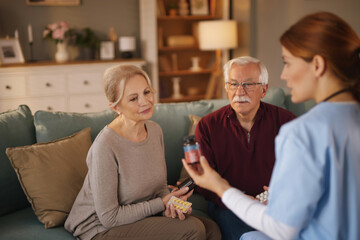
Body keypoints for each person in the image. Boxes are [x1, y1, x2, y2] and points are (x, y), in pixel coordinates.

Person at [183, 11, 360, 240]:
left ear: (317, 65)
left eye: (287, 63)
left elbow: (282, 229)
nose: (284, 75)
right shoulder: (346, 121)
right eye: (233, 84)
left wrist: (220, 186)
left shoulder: (299, 131)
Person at [65, 65, 221, 240]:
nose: (145, 101)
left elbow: (160, 188)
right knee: (193, 229)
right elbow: (109, 217)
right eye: (133, 98)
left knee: (211, 229)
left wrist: (172, 205)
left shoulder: (155, 131)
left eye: (147, 92)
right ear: (116, 107)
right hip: (98, 228)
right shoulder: (105, 146)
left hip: (137, 217)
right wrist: (161, 203)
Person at [194, 56, 296, 239]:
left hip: (276, 203)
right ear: (226, 87)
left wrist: (282, 193)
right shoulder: (207, 126)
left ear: (264, 89)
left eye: (248, 84)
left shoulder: (287, 122)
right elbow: (205, 182)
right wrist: (238, 199)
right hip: (228, 207)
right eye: (233, 84)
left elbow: (299, 171)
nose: (239, 91)